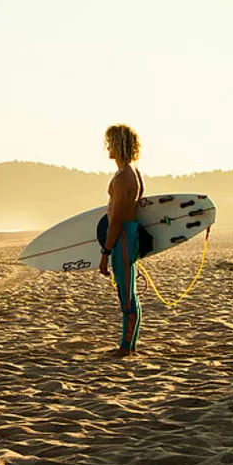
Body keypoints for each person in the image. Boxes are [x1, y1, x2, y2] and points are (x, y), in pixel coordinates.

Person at [98, 124, 144, 357]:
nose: (107, 147)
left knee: (126, 293)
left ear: (118, 144)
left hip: (123, 236)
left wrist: (105, 253)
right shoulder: (132, 171)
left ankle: (126, 348)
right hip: (129, 233)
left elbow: (116, 218)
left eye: (110, 142)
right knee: (128, 291)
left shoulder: (124, 176)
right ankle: (129, 344)